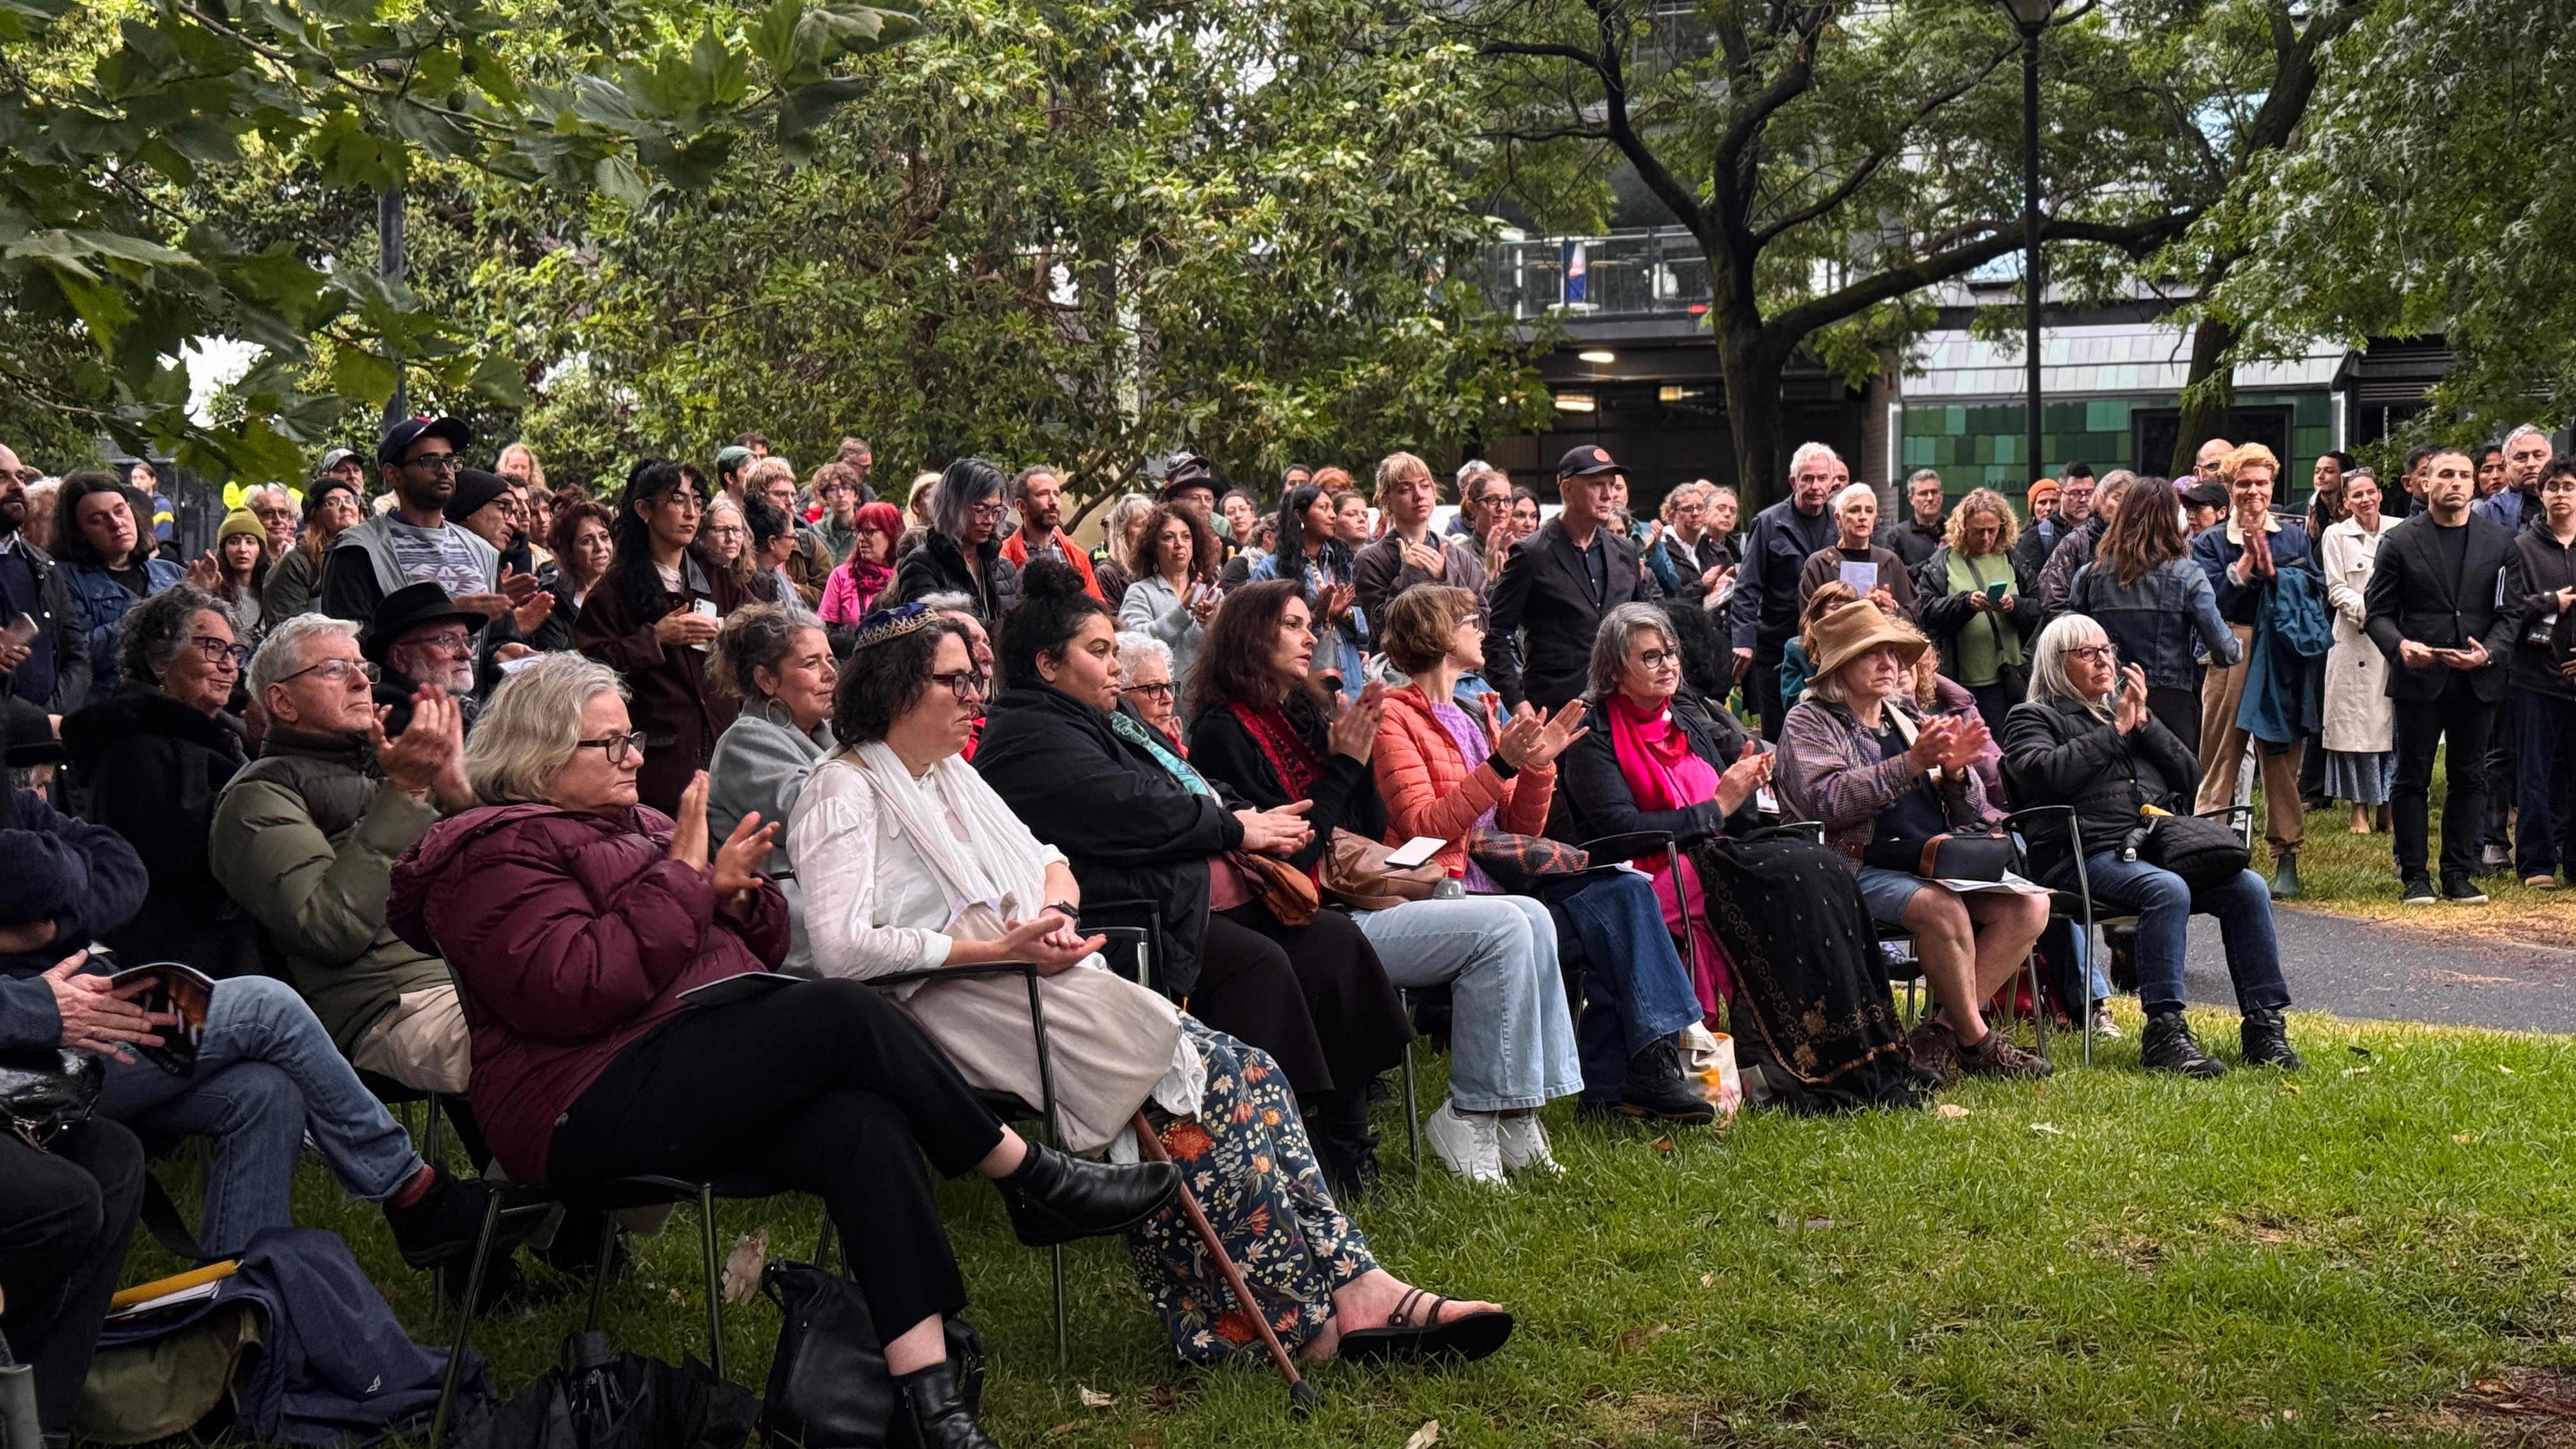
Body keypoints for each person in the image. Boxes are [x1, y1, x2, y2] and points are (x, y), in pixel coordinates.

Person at [387, 654, 1178, 1445]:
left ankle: (930, 1405)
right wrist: (692, 886)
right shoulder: (489, 855)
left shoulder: (650, 827)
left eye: (633, 738)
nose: (635, 756)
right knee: (838, 1011)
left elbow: (759, 948)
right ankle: (1026, 1176)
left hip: (686, 1067)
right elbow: (574, 985)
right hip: (581, 1103)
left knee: (861, 1124)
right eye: (611, 745)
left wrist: (741, 897)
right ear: (538, 756)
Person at [790, 610, 1512, 1361]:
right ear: (900, 689)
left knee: (1253, 1073)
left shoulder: (950, 775)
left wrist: (1054, 915)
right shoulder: (843, 790)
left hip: (1031, 972)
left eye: (976, 678)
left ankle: (1355, 1285)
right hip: (942, 1008)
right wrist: (994, 947)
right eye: (955, 680)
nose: (976, 694)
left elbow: (1049, 858)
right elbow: (841, 951)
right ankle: (1275, 1324)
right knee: (1201, 1097)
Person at [976, 562, 1406, 1198]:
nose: (1117, 667)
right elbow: (1128, 807)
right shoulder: (1024, 736)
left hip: (1174, 904)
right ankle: (1257, 1158)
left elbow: (1182, 784)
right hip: (1116, 927)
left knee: (1332, 941)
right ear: (1047, 665)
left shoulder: (1100, 721)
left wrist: (1242, 815)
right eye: (1100, 652)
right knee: (1260, 965)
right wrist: (1237, 830)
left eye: (1115, 650)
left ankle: (1341, 1140)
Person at [1190, 581, 1588, 1181]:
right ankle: (1470, 1115)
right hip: (1317, 914)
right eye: (1294, 626)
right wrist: (1349, 763)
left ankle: (1516, 1111)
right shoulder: (1225, 731)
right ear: (1251, 637)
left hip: (1373, 887)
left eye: (1308, 624)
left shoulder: (1300, 716)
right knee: (1508, 923)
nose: (1312, 638)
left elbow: (1369, 830)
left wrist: (1531, 768)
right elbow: (1292, 852)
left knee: (1533, 917)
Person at [2000, 615, 2303, 1077]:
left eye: (2108, 650)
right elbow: (2046, 776)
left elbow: (2191, 779)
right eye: (2088, 653)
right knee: (2166, 890)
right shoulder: (2032, 718)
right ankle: (2164, 1032)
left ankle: (2264, 1026)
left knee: (2248, 887)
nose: (2105, 660)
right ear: (2057, 664)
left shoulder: (2126, 716)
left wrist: (2145, 725)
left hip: (2152, 851)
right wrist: (2115, 732)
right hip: (2079, 857)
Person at [1776, 601, 2052, 1082]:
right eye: (1874, 654)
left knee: (2031, 908)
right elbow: (1827, 801)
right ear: (1841, 663)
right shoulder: (1810, 721)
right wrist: (1910, 764)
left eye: (1894, 653)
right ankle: (1979, 1041)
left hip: (1929, 860)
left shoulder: (1903, 714)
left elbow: (1966, 806)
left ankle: (1940, 1034)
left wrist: (1955, 773)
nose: (1891, 665)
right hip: (1853, 865)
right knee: (1940, 908)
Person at [212, 615, 476, 1103]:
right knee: (563, 1058)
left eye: (362, 667)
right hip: (393, 1005)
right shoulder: (255, 798)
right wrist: (405, 792)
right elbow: (329, 929)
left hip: (469, 978)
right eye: (335, 669)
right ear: (282, 701)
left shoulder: (384, 763)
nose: (361, 681)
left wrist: (458, 793)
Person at [1531, 599, 1772, 1103]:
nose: (1668, 665)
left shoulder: (1687, 718)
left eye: (1671, 654)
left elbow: (1736, 806)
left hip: (1704, 855)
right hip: (1629, 868)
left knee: (1785, 875)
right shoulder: (1595, 735)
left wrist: (1744, 789)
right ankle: (1689, 1060)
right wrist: (1715, 809)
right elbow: (1621, 829)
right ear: (1617, 671)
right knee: (1704, 887)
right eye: (1651, 657)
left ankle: (1771, 1056)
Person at [59, 585, 272, 977]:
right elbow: (196, 872)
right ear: (159, 660)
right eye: (212, 647)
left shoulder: (225, 735)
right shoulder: (135, 751)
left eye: (234, 652)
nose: (230, 666)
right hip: (190, 966)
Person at [2365, 445, 2526, 904]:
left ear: (2474, 486)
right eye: (2445, 475)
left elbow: (2511, 614)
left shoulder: (2499, 543)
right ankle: (2415, 874)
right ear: (2425, 483)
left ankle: (2459, 872)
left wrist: (2490, 654)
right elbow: (2377, 614)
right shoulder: (2400, 541)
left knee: (2469, 775)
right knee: (2412, 774)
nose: (2455, 482)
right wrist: (2400, 647)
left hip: (2478, 678)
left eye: (2464, 476)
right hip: (2420, 674)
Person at [572, 460, 746, 815]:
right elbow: (587, 668)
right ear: (643, 510)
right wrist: (656, 638)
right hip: (660, 757)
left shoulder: (716, 575)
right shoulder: (614, 590)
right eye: (677, 501)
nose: (691, 513)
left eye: (697, 502)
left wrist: (727, 628)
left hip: (725, 741)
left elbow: (757, 628)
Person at [2189, 442, 2319, 898]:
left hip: (2280, 650)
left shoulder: (2296, 536)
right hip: (2232, 645)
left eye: (2262, 483)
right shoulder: (2207, 542)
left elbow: (2314, 592)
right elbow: (2205, 604)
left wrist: (2278, 574)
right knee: (2220, 751)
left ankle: (2287, 858)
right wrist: (2245, 564)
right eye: (2244, 483)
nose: (2253, 491)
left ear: (2273, 485)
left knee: (2281, 756)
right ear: (2228, 487)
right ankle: (2208, 852)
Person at [705, 604, 836, 973]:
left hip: (837, 905)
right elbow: (814, 816)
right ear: (766, 680)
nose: (830, 673)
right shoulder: (745, 741)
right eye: (811, 664)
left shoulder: (825, 733)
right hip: (794, 931)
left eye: (830, 659)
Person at [2067, 475, 2238, 754]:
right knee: (2176, 787)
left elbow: (2071, 637)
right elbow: (2224, 647)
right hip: (2170, 700)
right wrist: (2232, 650)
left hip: (2106, 695)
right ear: (2171, 518)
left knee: (2114, 783)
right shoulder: (2187, 574)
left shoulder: (2090, 575)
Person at [1491, 446, 1661, 716]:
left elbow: (1643, 626)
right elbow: (1496, 632)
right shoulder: (1532, 554)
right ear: (1567, 489)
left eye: (1611, 485)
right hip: (1557, 708)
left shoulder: (1625, 551)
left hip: (1622, 705)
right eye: (1596, 485)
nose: (1608, 495)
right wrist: (1516, 701)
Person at [321, 417, 519, 626]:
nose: (445, 470)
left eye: (450, 461)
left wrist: (508, 649)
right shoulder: (358, 549)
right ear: (393, 474)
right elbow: (348, 642)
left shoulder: (482, 551)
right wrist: (447, 614)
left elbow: (498, 639)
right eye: (430, 461)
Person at [1728, 443, 1843, 739]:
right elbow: (1748, 586)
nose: (1815, 486)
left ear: (1833, 482)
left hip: (1832, 647)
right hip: (1777, 646)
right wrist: (1743, 641)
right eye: (1807, 478)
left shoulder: (1841, 523)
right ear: (1794, 482)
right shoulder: (1769, 523)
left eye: (1822, 478)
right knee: (1779, 733)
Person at [1911, 487, 2039, 732]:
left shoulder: (2013, 558)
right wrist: (1965, 603)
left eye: (1993, 531)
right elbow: (1926, 612)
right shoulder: (1944, 563)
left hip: (2011, 674)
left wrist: (2015, 606)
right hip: (1964, 677)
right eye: (1978, 531)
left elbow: (2038, 608)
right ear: (1964, 529)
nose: (1986, 538)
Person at [51, 470, 183, 705]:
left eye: (120, 510)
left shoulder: (171, 573)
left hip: (175, 706)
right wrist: (159, 609)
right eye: (98, 519)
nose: (116, 523)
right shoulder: (62, 578)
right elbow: (82, 655)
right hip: (111, 713)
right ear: (79, 531)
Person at [2507, 460, 2576, 887]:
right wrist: (2551, 602)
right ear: (2542, 494)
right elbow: (2509, 608)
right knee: (2533, 774)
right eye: (2553, 486)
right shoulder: (2520, 548)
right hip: (2533, 678)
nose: (2561, 494)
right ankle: (2536, 863)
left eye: (2569, 486)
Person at [2319, 468, 2397, 834]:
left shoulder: (2401, 530)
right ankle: (2359, 809)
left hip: (2397, 640)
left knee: (2393, 727)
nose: (2365, 500)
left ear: (2380, 495)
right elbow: (2337, 589)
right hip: (2355, 640)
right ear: (2346, 502)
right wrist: (2374, 614)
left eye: (2371, 492)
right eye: (2357, 495)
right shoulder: (2336, 535)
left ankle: (2389, 807)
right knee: (2356, 731)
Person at [1352, 451, 1487, 648]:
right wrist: (1411, 573)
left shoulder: (1459, 556)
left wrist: (1446, 577)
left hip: (1456, 672)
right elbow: (1383, 628)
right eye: (1405, 490)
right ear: (1386, 500)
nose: (1419, 495)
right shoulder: (1370, 559)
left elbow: (1481, 621)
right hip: (1400, 674)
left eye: (1425, 486)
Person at [1247, 483, 1367, 700]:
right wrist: (1314, 618)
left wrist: (1346, 614)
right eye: (1323, 508)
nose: (1332, 516)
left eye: (1333, 509)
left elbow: (1370, 630)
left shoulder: (1346, 564)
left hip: (1349, 682)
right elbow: (1256, 632)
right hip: (1297, 688)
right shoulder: (1271, 569)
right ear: (1300, 516)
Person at [0, 444, 89, 715]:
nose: (18, 486)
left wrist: (50, 720)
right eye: (2, 478)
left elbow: (77, 657)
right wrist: (33, 725)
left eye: (21, 477)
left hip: (47, 746)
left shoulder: (43, 564)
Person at [1118, 503, 1219, 717]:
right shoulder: (1140, 592)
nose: (1179, 544)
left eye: (1186, 537)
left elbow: (1227, 651)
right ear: (1153, 547)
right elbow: (1133, 647)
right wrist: (1181, 612)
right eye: (1168, 537)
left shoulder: (1210, 594)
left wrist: (1212, 621)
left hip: (1207, 705)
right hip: (1163, 708)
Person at [892, 457, 1022, 621]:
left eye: (996, 511)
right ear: (952, 508)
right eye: (980, 510)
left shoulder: (1004, 568)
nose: (989, 520)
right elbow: (929, 634)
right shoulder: (921, 564)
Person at [1797, 483, 1917, 619]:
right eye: (1854, 510)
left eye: (1870, 510)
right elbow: (1808, 622)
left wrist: (1892, 607)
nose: (1863, 517)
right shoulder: (1819, 564)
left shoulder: (1890, 562)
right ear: (1838, 518)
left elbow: (1914, 617)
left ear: (1875, 517)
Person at [998, 464, 1105, 601]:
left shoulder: (1076, 555)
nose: (1053, 502)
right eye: (1042, 494)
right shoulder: (1004, 557)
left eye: (1057, 494)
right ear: (1022, 506)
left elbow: (1098, 607)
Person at [263, 477, 363, 622]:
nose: (345, 506)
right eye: (332, 502)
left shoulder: (372, 554)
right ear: (314, 514)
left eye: (349, 500)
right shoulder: (296, 564)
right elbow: (288, 629)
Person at [539, 494, 616, 645]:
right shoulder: (554, 604)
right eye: (587, 541)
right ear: (569, 553)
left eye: (605, 537)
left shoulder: (626, 590)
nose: (600, 547)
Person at [819, 499, 905, 627]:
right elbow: (828, 630)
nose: (860, 538)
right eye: (859, 531)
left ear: (891, 534)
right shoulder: (841, 576)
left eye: (869, 532)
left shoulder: (905, 575)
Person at [1652, 481, 1736, 599]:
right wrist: (1702, 586)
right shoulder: (1662, 553)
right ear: (1673, 516)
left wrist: (1725, 588)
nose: (1696, 513)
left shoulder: (1719, 552)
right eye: (1688, 509)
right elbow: (1665, 599)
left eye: (1700, 508)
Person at [2475, 422, 2554, 537]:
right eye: (2521, 457)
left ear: (2550, 459)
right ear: (2505, 464)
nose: (2531, 464)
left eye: (2538, 456)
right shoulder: (2488, 514)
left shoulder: (2569, 504)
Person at [1115, 632, 1186, 747]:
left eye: (1168, 687)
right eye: (1153, 689)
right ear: (1118, 693)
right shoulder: (1115, 755)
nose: (1169, 699)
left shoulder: (1173, 745)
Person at [1089, 491, 1157, 610]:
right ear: (1123, 531)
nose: (1148, 530)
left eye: (1151, 525)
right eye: (1141, 525)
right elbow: (1113, 623)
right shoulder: (1107, 574)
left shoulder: (1156, 568)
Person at [1880, 469, 1949, 569]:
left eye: (1934, 492)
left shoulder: (1955, 531)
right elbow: (1896, 576)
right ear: (1911, 499)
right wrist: (1936, 558)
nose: (1930, 498)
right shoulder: (1896, 536)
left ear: (1941, 496)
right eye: (1923, 493)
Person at [809, 461, 866, 565]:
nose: (840, 494)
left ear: (856, 495)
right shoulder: (817, 531)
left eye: (846, 488)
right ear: (825, 497)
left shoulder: (866, 530)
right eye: (833, 489)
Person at [2011, 477, 2067, 579]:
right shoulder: (2021, 539)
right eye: (2042, 502)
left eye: (2054, 502)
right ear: (2033, 508)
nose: (2049, 508)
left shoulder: (2070, 533)